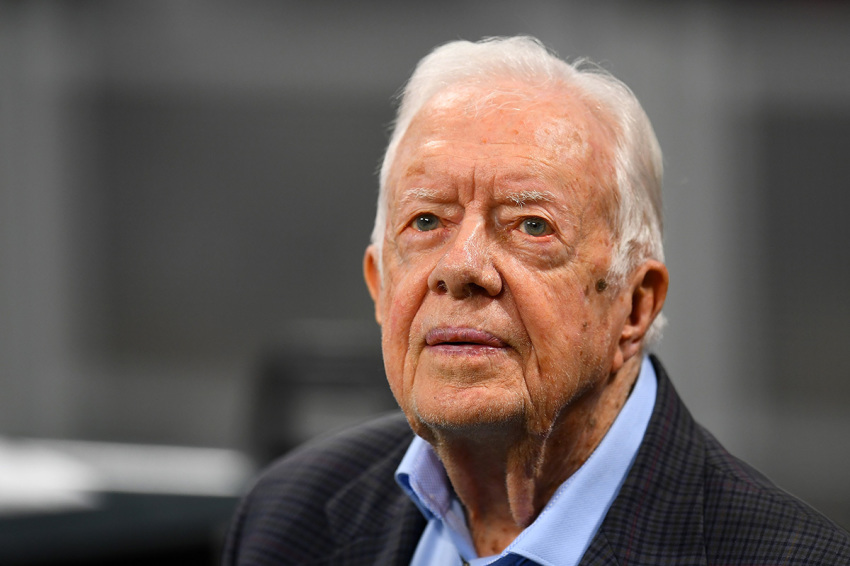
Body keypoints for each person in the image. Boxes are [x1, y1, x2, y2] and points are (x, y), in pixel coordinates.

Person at [223, 36, 850, 565]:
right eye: (426, 220)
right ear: (381, 289)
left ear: (635, 306)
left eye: (530, 225)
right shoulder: (286, 518)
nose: (461, 269)